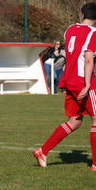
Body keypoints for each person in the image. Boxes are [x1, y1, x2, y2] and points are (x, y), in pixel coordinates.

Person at [33, 2, 96, 171]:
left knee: (74, 121)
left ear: (82, 15)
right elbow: (88, 59)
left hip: (69, 80)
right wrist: (88, 84)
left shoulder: (69, 30)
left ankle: (42, 151)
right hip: (84, 81)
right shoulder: (93, 33)